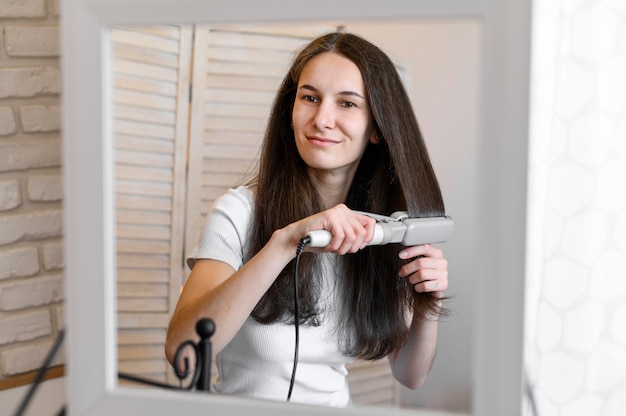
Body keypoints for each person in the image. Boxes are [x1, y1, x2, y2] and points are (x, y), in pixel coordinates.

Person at [165, 31, 449, 408]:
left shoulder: (381, 232)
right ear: (291, 110)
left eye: (347, 104)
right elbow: (183, 351)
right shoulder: (238, 214)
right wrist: (283, 244)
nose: (322, 119)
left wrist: (428, 306)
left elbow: (410, 375)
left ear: (378, 127)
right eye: (310, 98)